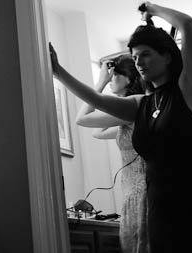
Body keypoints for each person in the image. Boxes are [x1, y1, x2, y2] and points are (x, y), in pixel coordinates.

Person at [50, 1, 192, 253]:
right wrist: (57, 70)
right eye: (136, 56)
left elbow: (188, 25)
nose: (140, 62)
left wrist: (152, 9)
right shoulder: (142, 103)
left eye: (146, 54)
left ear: (168, 56)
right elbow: (96, 101)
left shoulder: (191, 89)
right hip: (158, 210)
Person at [75, 55, 148, 253]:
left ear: (129, 78)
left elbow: (82, 119)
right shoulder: (127, 114)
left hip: (142, 194)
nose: (110, 79)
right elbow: (97, 132)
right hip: (131, 193)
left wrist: (100, 83)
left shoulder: (133, 108)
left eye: (115, 75)